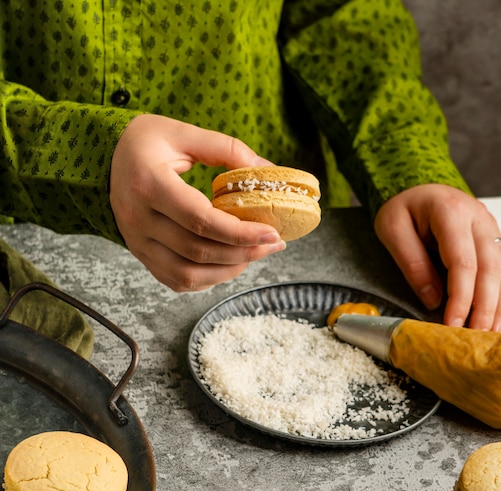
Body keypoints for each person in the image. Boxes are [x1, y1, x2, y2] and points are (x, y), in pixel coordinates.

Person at [0, 0, 500, 332]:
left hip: (279, 265)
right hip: (30, 254)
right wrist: (86, 153)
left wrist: (405, 159)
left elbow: (340, 14)